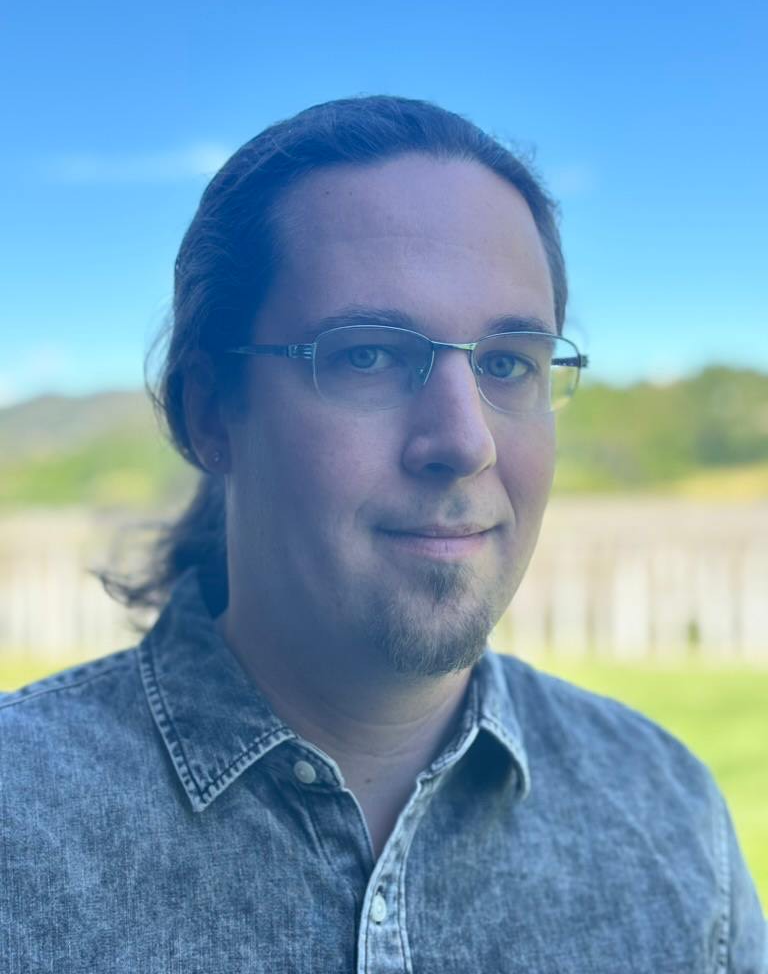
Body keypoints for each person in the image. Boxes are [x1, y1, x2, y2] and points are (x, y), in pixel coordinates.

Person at [0, 96, 764, 973]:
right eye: (367, 354)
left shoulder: (670, 820)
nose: (464, 442)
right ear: (211, 411)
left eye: (509, 364)